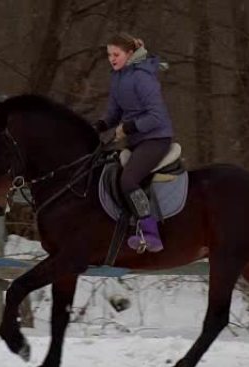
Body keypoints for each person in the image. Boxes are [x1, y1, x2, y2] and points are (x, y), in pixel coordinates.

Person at [94, 32, 173, 253]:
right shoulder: (118, 77)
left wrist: (128, 127)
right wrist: (99, 126)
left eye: (116, 54)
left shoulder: (142, 77)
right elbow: (114, 112)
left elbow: (156, 116)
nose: (111, 58)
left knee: (128, 179)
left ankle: (151, 233)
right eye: (109, 54)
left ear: (129, 53)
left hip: (156, 138)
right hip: (136, 139)